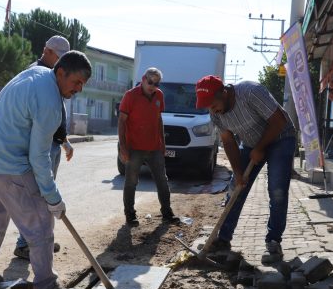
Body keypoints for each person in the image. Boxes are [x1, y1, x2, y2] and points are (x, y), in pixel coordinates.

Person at [0, 51, 92, 289]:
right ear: (61, 72)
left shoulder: (37, 73)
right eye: (76, 82)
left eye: (82, 85)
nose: (78, 89)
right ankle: (46, 286)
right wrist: (53, 198)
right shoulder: (51, 104)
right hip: (7, 163)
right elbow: (39, 158)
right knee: (41, 223)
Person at [195, 75, 296, 264]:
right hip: (251, 143)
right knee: (236, 188)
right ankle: (222, 239)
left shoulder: (251, 92)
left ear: (223, 92)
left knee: (277, 190)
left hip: (281, 138)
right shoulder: (216, 113)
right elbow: (228, 141)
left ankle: (273, 241)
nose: (212, 109)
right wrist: (238, 173)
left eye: (212, 103)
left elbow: (279, 121)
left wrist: (260, 148)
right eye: (207, 105)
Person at [13, 35, 74, 260]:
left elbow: (57, 112)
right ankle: (25, 244)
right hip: (39, 146)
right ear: (46, 50)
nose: (60, 64)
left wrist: (64, 140)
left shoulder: (54, 75)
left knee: (43, 197)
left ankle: (40, 240)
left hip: (52, 144)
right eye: (58, 58)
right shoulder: (36, 74)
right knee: (38, 196)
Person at [118, 67, 180, 226]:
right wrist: (123, 148)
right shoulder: (130, 96)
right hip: (134, 148)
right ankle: (130, 215)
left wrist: (163, 143)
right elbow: (122, 121)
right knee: (131, 182)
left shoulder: (159, 95)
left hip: (155, 148)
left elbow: (159, 120)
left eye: (156, 83)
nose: (153, 85)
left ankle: (167, 213)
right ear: (144, 79)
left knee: (162, 181)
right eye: (150, 81)